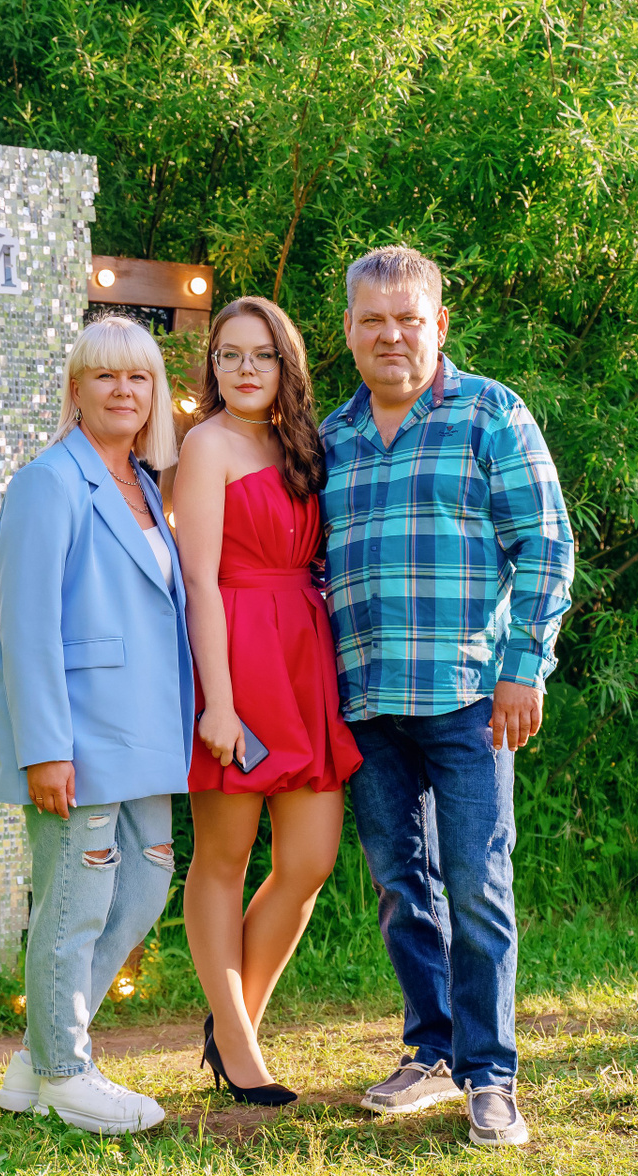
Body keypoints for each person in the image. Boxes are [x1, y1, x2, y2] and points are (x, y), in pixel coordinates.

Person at [320, 246, 575, 1148]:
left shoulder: (489, 413)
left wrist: (524, 666)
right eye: (373, 320)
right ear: (348, 330)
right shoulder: (332, 437)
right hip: (368, 700)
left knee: (476, 885)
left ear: (438, 324)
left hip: (471, 695)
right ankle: (430, 1052)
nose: (391, 335)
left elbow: (545, 543)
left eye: (408, 319)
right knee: (402, 887)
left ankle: (491, 1074)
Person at [0, 317, 192, 1136]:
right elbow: (26, 625)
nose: (123, 391)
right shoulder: (48, 482)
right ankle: (67, 1073)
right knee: (75, 901)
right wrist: (45, 748)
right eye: (105, 376)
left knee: (142, 889)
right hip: (80, 734)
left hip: (144, 731)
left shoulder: (144, 482)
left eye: (138, 378)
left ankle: (36, 1060)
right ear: (77, 390)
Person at [174, 297, 363, 1106]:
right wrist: (218, 703)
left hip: (304, 656)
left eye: (261, 355)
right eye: (229, 355)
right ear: (212, 366)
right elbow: (198, 580)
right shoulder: (206, 444)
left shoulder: (303, 446)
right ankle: (242, 1048)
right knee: (224, 858)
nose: (244, 369)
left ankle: (231, 1028)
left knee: (309, 861)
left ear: (288, 365)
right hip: (238, 655)